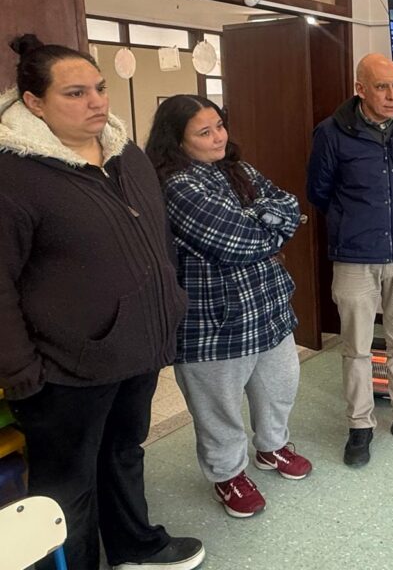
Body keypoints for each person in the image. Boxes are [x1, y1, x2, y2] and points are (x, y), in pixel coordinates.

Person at [0, 36, 204, 570]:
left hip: (136, 351)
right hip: (65, 368)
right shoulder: (13, 175)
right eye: (75, 93)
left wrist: (171, 303)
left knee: (124, 454)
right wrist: (20, 370)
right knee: (68, 485)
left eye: (100, 88)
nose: (96, 102)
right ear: (33, 102)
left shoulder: (126, 154)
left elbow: (157, 239)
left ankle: (136, 546)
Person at [146, 95, 313, 519]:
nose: (218, 137)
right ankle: (228, 475)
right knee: (217, 407)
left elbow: (290, 203)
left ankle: (272, 447)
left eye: (219, 126)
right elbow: (238, 242)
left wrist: (262, 219)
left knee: (279, 385)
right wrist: (270, 224)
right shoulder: (177, 185)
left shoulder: (237, 169)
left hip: (268, 307)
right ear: (176, 141)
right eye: (204, 132)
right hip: (214, 320)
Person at [307, 53, 393, 467]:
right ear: (360, 89)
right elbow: (318, 191)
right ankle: (360, 424)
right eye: (381, 87)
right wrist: (358, 221)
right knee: (357, 346)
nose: (391, 95)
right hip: (355, 256)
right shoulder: (331, 132)